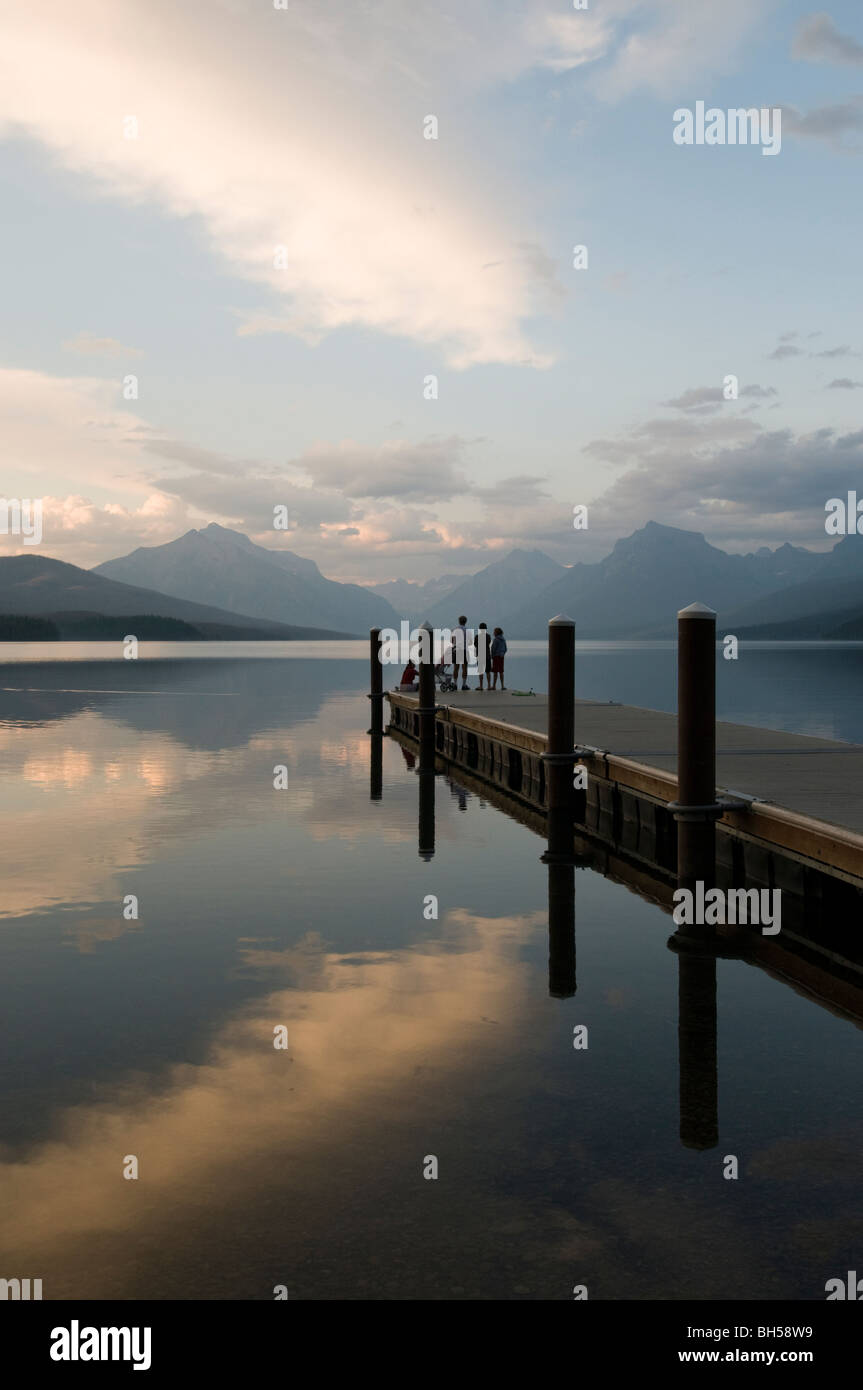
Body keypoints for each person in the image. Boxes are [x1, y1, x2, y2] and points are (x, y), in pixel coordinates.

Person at [453, 615, 470, 690]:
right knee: (464, 668)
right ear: (465, 621)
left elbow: (452, 640)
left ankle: (455, 684)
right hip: (464, 650)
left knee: (456, 667)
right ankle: (464, 684)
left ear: (459, 621)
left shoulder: (455, 629)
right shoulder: (467, 630)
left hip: (457, 649)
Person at [476, 622, 492, 691]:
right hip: (487, 655)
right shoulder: (488, 636)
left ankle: (481, 686)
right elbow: (489, 642)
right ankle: (489, 686)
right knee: (488, 671)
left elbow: (475, 645)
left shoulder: (477, 636)